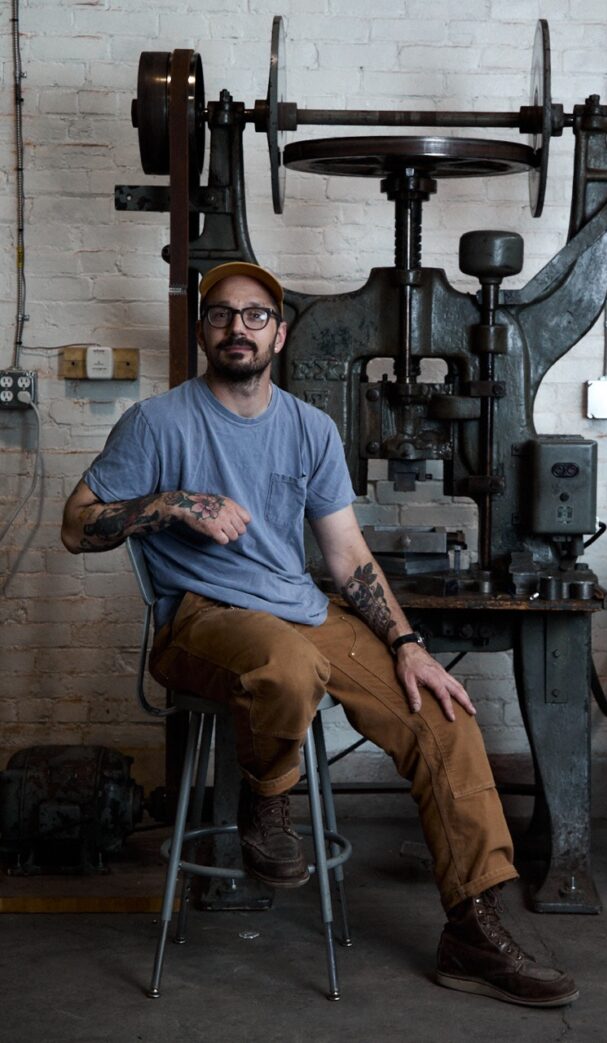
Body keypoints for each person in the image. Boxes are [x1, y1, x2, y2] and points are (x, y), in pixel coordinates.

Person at [62, 261, 578, 1008]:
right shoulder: (157, 423)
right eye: (221, 315)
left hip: (302, 610)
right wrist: (170, 503)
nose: (237, 327)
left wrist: (408, 646)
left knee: (441, 710)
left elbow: (348, 557)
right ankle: (267, 800)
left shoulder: (311, 428)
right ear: (202, 329)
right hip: (201, 618)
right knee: (287, 665)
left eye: (255, 315)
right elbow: (77, 527)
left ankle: (473, 926)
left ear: (280, 330)